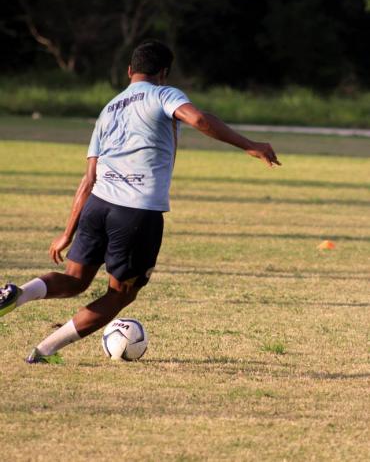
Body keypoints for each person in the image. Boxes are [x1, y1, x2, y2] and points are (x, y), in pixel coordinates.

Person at [0, 40, 281, 364]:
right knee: (121, 294)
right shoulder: (163, 94)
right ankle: (43, 351)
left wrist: (67, 232)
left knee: (75, 279)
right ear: (163, 73)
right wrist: (248, 144)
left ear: (130, 71)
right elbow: (200, 120)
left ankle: (19, 293)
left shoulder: (108, 110)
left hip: (98, 205)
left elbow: (88, 179)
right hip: (136, 211)